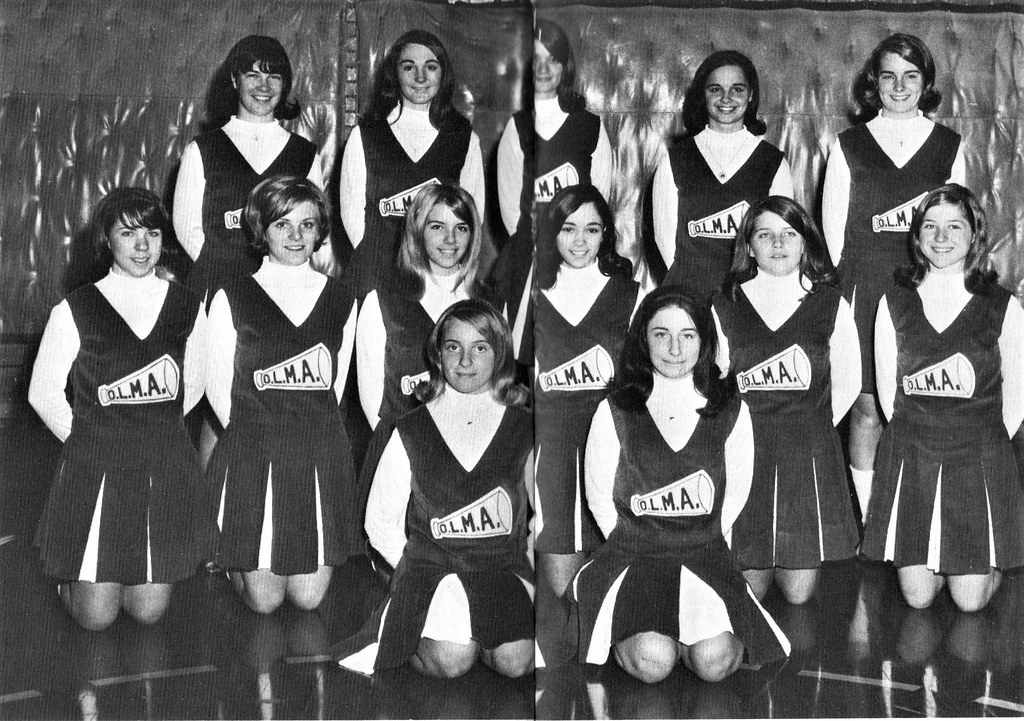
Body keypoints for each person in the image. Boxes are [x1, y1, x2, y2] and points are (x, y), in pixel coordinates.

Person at [575, 288, 789, 684]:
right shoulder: (615, 408)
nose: (674, 348)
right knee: (653, 663)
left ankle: (691, 635)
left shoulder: (729, 408)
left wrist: (695, 536)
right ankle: (641, 634)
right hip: (635, 555)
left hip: (702, 552)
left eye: (687, 335)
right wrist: (640, 539)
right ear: (643, 339)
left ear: (705, 341)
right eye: (661, 334)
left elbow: (736, 494)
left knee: (715, 664)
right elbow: (599, 498)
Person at [29, 188, 207, 631]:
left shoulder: (186, 305)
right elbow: (42, 392)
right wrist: (86, 438)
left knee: (148, 612)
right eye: (128, 233)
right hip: (98, 469)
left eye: (152, 232)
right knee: (96, 618)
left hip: (159, 466)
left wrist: (158, 427)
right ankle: (67, 581)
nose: (143, 246)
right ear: (106, 240)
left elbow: (197, 381)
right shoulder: (76, 308)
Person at [335, 300, 534, 678]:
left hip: (499, 570)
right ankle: (415, 630)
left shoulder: (522, 427)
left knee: (517, 662)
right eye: (453, 347)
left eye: (480, 348)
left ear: (500, 355)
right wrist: (413, 574)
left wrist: (527, 575)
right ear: (437, 356)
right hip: (434, 572)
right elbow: (379, 523)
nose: (465, 360)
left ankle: (480, 633)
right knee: (451, 660)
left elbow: (541, 516)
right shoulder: (411, 428)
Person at [822, 33, 966, 518]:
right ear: (873, 83)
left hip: (926, 293)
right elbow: (833, 236)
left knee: (921, 409)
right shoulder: (847, 146)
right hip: (866, 287)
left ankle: (922, 516)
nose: (899, 86)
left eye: (910, 76)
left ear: (925, 82)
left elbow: (959, 232)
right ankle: (870, 519)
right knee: (867, 410)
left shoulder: (949, 146)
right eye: (888, 76)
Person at [863, 184, 1024, 613]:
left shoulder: (1003, 306)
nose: (941, 237)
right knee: (916, 599)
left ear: (975, 235)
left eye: (954, 226)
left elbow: (1016, 400)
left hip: (976, 458)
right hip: (913, 455)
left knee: (969, 602)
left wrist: (974, 444)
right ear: (916, 237)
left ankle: (992, 554)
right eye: (930, 227)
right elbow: (886, 392)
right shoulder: (893, 301)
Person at [205, 176, 358, 614]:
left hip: (317, 453)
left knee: (308, 600)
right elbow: (218, 392)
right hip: (256, 451)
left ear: (319, 232)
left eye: (307, 225)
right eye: (282, 225)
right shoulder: (231, 296)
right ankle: (229, 553)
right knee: (266, 602)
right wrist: (255, 433)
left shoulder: (342, 298)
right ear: (261, 230)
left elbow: (335, 383)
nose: (295, 236)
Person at [712, 196, 861, 604]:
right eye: (765, 234)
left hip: (806, 452)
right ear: (748, 246)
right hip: (747, 450)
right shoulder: (724, 304)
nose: (777, 244)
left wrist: (811, 425)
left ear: (805, 243)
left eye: (789, 234)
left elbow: (848, 382)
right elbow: (716, 382)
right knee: (748, 593)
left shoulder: (830, 302)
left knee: (797, 596)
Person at [532, 185, 640, 602]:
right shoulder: (531, 295)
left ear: (606, 235)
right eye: (568, 228)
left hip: (612, 454)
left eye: (592, 230)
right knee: (563, 592)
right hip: (551, 456)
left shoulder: (631, 294)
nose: (580, 241)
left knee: (608, 592)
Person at [173, 35, 327, 304]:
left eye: (274, 77)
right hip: (217, 287)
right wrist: (225, 275)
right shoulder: (202, 149)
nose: (263, 86)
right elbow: (186, 229)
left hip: (283, 289)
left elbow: (313, 228)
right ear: (235, 80)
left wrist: (279, 274)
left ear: (284, 84)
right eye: (253, 75)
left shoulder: (304, 154)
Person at [494, 19, 613, 360]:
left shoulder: (590, 127)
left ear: (565, 66)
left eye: (553, 59)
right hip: (530, 260)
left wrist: (576, 246)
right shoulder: (516, 129)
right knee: (522, 357)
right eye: (535, 59)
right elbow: (509, 212)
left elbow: (600, 202)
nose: (543, 68)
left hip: (579, 258)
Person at [339, 30, 485, 299]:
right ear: (395, 74)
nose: (420, 78)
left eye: (430, 67)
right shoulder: (367, 133)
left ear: (443, 74)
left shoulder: (463, 137)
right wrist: (380, 260)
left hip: (436, 279)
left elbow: (472, 215)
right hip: (375, 276)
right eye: (409, 67)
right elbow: (351, 215)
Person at [650, 50, 793, 298]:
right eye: (715, 89)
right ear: (702, 96)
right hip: (689, 297)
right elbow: (665, 242)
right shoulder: (675, 160)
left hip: (749, 298)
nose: (726, 98)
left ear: (751, 96)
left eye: (737, 89)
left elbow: (779, 241)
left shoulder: (773, 162)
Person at [356, 183, 493, 431]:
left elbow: (497, 389)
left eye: (461, 228)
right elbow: (372, 405)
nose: (450, 239)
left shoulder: (489, 302)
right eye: (437, 226)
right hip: (401, 449)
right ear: (418, 230)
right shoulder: (382, 302)